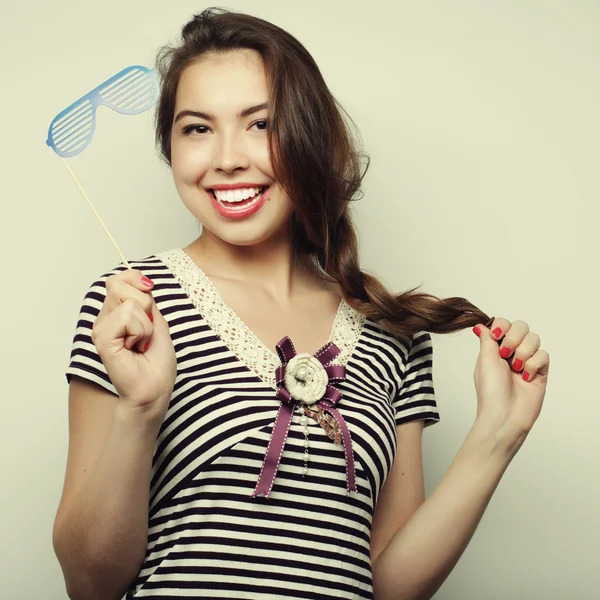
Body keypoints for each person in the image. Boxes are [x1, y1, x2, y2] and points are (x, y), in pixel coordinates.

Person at [52, 8, 550, 600]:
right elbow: (89, 583)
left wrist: (497, 435)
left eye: (260, 124)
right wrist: (140, 410)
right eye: (196, 128)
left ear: (308, 135)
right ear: (171, 147)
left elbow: (386, 586)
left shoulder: (390, 333)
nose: (228, 157)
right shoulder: (131, 308)